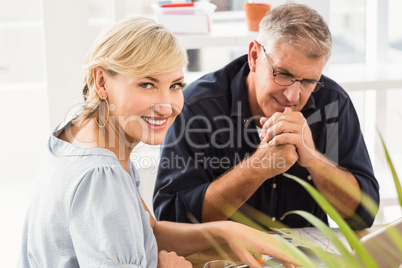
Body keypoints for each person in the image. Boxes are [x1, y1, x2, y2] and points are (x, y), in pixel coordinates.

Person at [19, 17, 300, 268]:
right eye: (146, 84)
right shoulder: (101, 176)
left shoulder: (81, 133)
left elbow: (148, 231)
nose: (166, 106)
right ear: (101, 81)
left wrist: (226, 231)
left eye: (175, 85)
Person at [153, 3, 380, 230]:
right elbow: (173, 220)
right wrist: (258, 166)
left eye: (308, 81)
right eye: (283, 74)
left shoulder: (332, 103)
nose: (293, 95)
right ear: (254, 56)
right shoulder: (196, 107)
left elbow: (364, 215)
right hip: (224, 260)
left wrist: (314, 159)